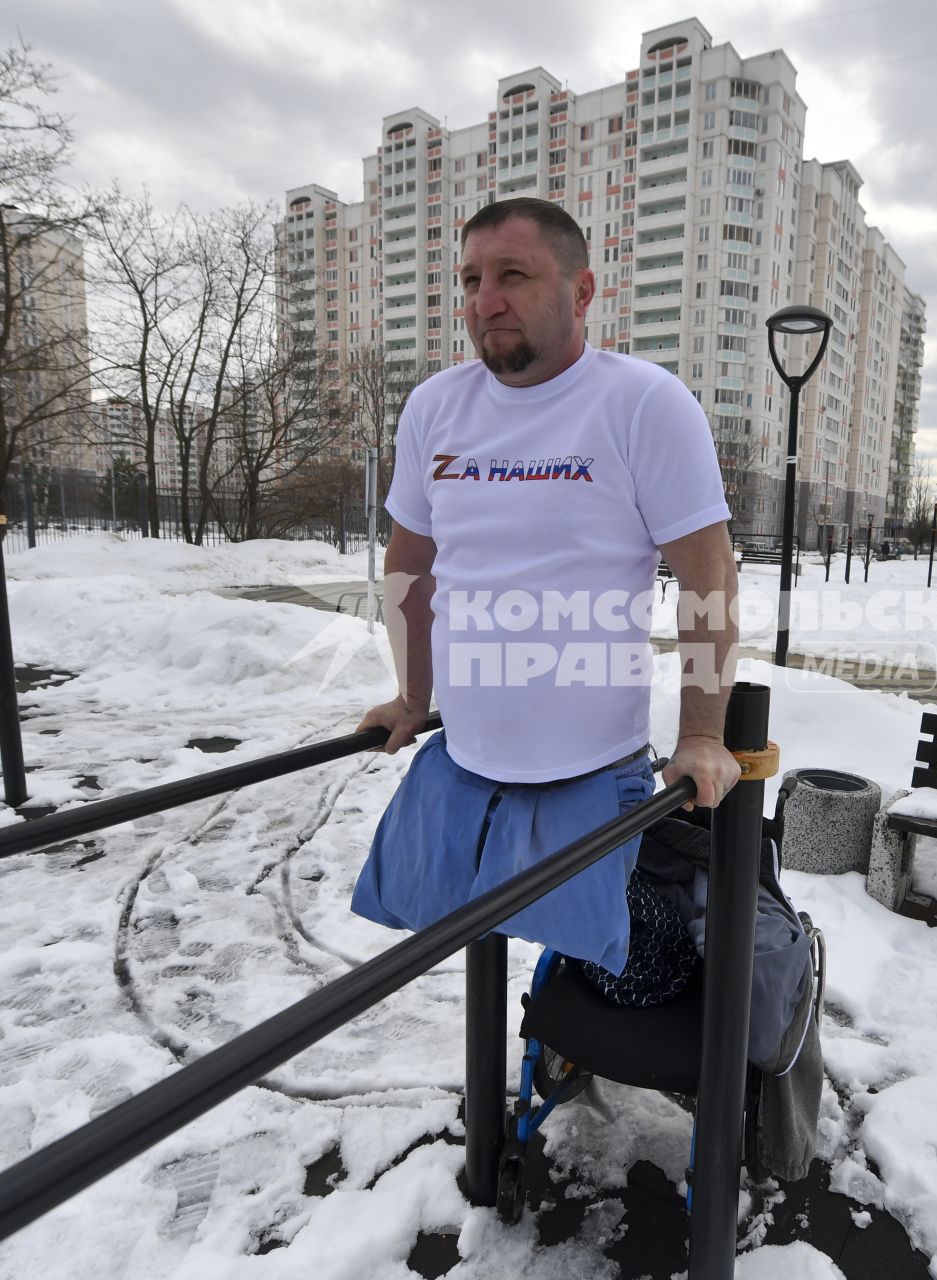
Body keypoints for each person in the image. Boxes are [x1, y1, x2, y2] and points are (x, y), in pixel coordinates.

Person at [350, 196, 741, 977]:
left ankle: (561, 1049)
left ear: (582, 290)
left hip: (592, 777)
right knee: (464, 950)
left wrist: (702, 735)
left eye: (513, 275)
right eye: (469, 279)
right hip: (462, 765)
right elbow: (409, 566)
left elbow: (709, 579)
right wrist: (410, 695)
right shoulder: (435, 407)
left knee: (615, 977)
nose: (483, 300)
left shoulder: (642, 403)